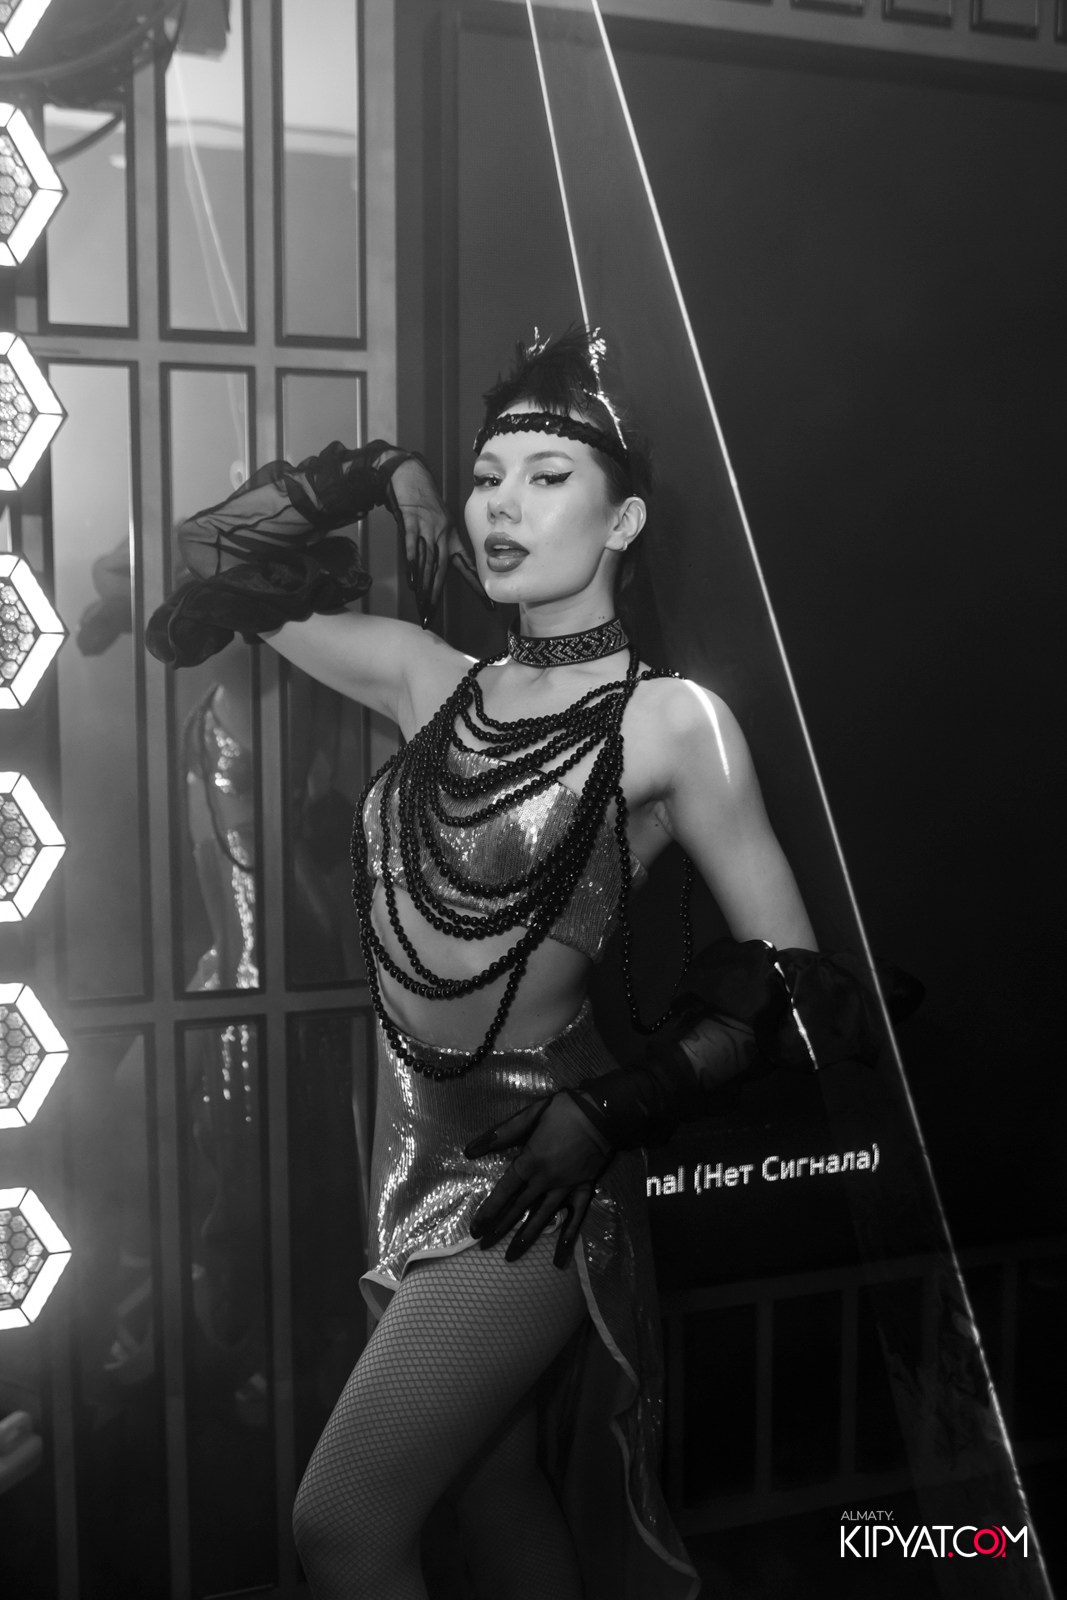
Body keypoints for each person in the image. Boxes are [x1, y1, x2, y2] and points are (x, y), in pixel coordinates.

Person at [147, 329, 891, 1600]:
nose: (501, 504)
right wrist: (382, 469)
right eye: (487, 476)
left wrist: (610, 1111)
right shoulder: (423, 678)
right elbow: (209, 556)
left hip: (532, 1173)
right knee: (491, 1492)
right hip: (400, 1144)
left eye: (546, 477)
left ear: (623, 520)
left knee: (340, 1524)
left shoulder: (672, 720)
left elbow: (796, 983)